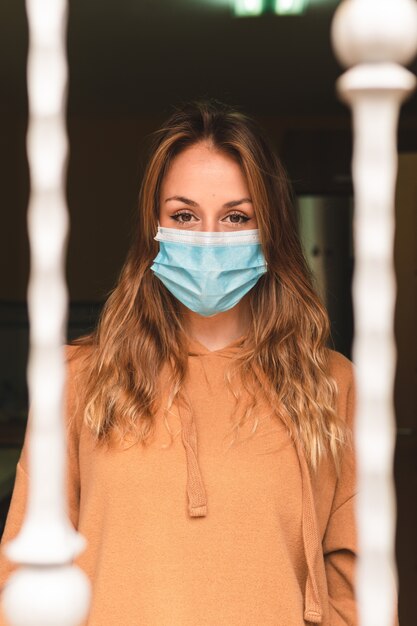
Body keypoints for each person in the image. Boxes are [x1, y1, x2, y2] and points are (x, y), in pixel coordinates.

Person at [0, 99, 393, 626]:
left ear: (271, 230)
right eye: (184, 215)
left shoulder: (333, 384)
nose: (209, 238)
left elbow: (360, 587)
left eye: (236, 216)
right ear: (153, 229)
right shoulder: (78, 379)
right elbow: (25, 574)